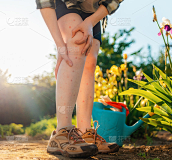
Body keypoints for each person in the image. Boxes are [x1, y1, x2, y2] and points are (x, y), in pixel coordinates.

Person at [35, 0, 123, 158]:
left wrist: (90, 21)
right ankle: (62, 133)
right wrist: (60, 45)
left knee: (90, 60)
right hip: (64, 3)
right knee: (79, 41)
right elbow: (45, 2)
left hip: (94, 8)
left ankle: (85, 132)